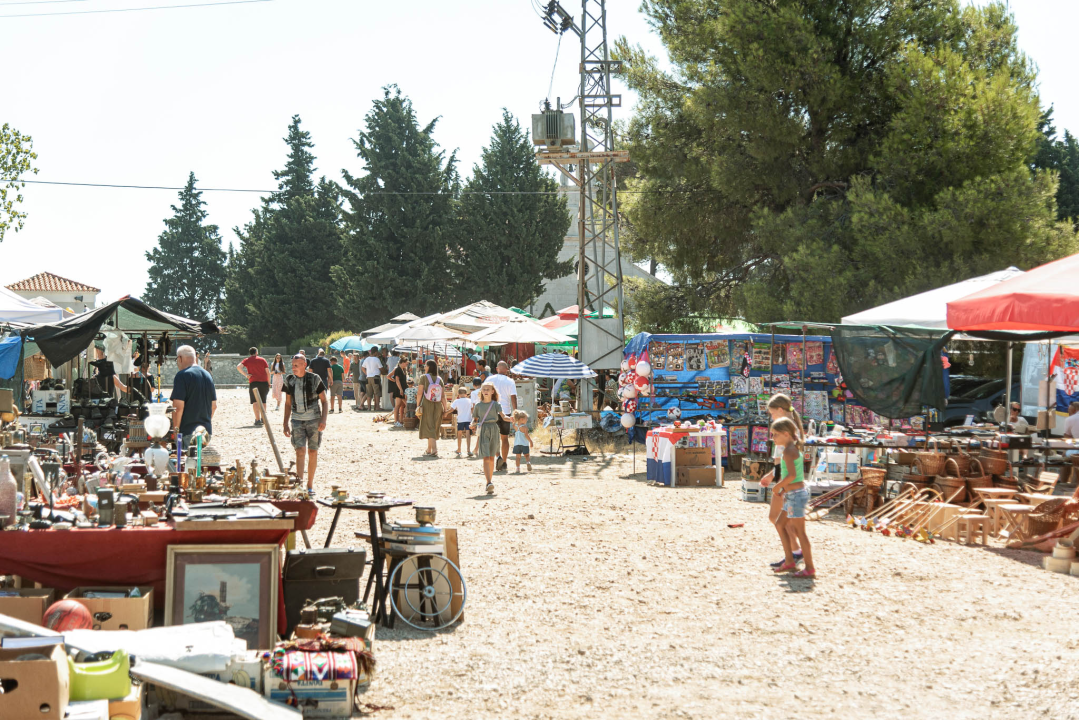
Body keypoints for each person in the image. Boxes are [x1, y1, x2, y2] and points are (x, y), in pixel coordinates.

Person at [759, 394, 804, 567]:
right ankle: (794, 552)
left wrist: (773, 476)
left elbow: (784, 460)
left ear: (779, 410)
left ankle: (794, 553)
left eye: (772, 413)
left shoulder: (786, 429)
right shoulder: (791, 427)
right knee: (782, 518)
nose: (771, 417)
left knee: (777, 517)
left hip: (786, 480)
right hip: (786, 478)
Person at [768, 416, 815, 578]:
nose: (772, 438)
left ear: (786, 434)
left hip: (796, 495)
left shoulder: (788, 451)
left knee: (800, 532)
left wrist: (778, 486)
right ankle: (789, 560)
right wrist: (783, 489)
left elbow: (791, 475)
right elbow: (791, 475)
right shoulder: (790, 449)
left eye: (775, 434)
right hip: (792, 494)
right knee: (780, 524)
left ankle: (809, 567)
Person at [282, 354, 328, 494]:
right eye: (292, 365)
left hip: (314, 420)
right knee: (300, 451)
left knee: (313, 451)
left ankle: (310, 485)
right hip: (297, 420)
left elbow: (324, 401)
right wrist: (285, 423)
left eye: (296, 365)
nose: (293, 368)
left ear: (304, 365)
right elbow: (288, 403)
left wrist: (323, 420)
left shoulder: (315, 379)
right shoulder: (289, 380)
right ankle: (299, 485)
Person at [170, 345, 217, 448]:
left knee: (187, 463)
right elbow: (213, 406)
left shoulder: (182, 376)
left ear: (180, 358)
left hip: (187, 432)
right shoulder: (207, 375)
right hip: (206, 432)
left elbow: (178, 408)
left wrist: (175, 431)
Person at [471, 382, 510, 494]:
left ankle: (490, 481)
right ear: (481, 392)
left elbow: (503, 416)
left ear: (492, 391)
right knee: (486, 457)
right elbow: (475, 419)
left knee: (492, 458)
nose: (486, 391)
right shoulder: (478, 406)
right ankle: (488, 482)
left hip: (494, 429)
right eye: (484, 389)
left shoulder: (496, 404)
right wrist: (472, 424)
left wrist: (511, 419)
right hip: (484, 430)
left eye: (488, 389)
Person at [487, 361, 518, 471]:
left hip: (491, 411)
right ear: (506, 370)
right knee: (504, 438)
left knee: (493, 438)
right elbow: (513, 397)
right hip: (506, 412)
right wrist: (516, 412)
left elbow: (482, 395)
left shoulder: (489, 380)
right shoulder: (510, 381)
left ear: (496, 369)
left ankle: (498, 456)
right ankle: (504, 462)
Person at [417, 360, 447, 456]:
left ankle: (434, 449)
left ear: (429, 367)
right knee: (434, 425)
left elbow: (419, 393)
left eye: (425, 366)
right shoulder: (439, 379)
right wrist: (445, 408)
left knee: (429, 426)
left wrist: (418, 405)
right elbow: (443, 396)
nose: (424, 367)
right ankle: (429, 449)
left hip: (427, 404)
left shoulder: (423, 378)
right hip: (438, 405)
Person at [237, 347, 270, 426]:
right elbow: (268, 372)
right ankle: (263, 419)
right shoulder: (262, 360)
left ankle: (257, 419)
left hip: (253, 383)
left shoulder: (247, 360)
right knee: (263, 401)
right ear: (256, 352)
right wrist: (268, 383)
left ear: (250, 353)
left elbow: (238, 367)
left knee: (255, 401)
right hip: (263, 383)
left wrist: (246, 374)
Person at [451, 387, 473, 457]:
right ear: (466, 394)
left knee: (459, 435)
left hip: (460, 420)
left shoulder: (457, 401)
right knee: (468, 435)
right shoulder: (470, 401)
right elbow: (473, 409)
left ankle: (459, 449)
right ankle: (468, 450)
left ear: (458, 394)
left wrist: (445, 413)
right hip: (468, 419)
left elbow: (452, 409)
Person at [390, 357, 408, 427]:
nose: (406, 365)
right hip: (399, 390)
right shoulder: (398, 369)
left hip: (402, 389)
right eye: (406, 364)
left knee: (401, 405)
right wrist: (400, 389)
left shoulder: (402, 369)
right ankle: (396, 421)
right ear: (402, 363)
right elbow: (397, 380)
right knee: (398, 405)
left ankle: (400, 420)